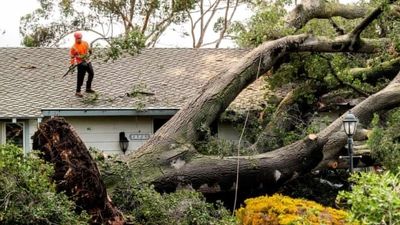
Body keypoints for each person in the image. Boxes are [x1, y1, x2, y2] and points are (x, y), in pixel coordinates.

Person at [70, 32, 95, 97]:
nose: (80, 39)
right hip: (80, 63)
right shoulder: (74, 47)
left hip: (87, 61)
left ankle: (88, 88)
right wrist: (72, 64)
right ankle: (78, 91)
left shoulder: (85, 43)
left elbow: (89, 49)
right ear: (75, 38)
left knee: (91, 73)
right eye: (78, 38)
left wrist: (90, 51)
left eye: (80, 38)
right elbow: (72, 57)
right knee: (80, 77)